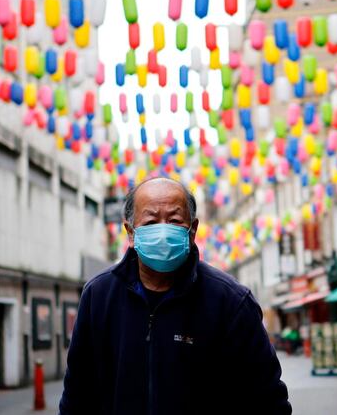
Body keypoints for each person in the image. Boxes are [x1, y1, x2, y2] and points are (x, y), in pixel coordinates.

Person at [59, 177, 291, 414]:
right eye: (150, 221)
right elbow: (77, 394)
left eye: (174, 221)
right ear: (131, 232)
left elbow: (268, 400)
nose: (162, 232)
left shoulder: (230, 302)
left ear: (192, 231)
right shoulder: (98, 296)